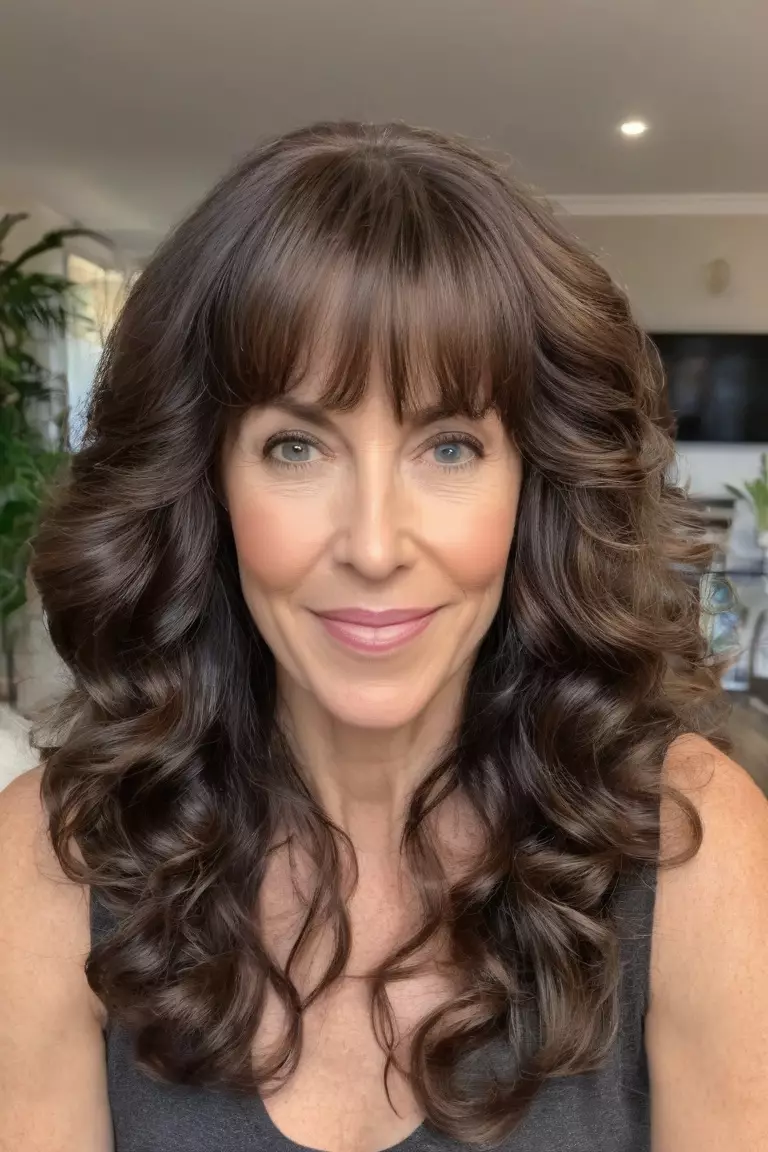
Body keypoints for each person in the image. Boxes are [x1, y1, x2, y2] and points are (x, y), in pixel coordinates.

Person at [1, 121, 766, 1152]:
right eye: (295, 446)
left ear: (533, 486)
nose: (372, 545)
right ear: (206, 483)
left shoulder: (694, 851)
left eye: (448, 446)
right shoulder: (49, 864)